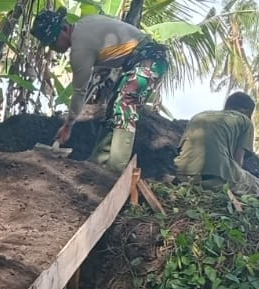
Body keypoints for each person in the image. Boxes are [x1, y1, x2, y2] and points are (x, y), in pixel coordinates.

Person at [29, 9, 170, 170]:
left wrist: (68, 125)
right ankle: (97, 164)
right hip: (142, 59)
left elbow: (79, 92)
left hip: (150, 60)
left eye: (53, 42)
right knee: (112, 110)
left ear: (65, 29)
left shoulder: (80, 49)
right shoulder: (87, 21)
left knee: (125, 104)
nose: (53, 48)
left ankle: (116, 168)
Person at [174, 91, 259, 197]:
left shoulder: (201, 115)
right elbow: (238, 162)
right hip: (216, 178)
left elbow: (180, 149)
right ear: (246, 111)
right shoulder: (245, 121)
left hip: (182, 175)